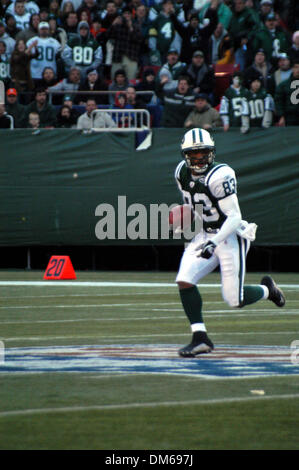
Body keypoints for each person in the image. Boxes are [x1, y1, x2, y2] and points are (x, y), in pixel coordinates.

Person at [174, 127, 286, 357]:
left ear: (211, 151)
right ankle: (200, 338)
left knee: (235, 300)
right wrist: (185, 217)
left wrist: (213, 242)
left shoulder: (220, 175)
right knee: (184, 280)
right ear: (185, 155)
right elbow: (196, 205)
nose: (198, 158)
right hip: (205, 234)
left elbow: (234, 216)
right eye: (193, 154)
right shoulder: (180, 173)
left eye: (203, 152)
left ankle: (268, 290)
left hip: (229, 235)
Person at [107, 8, 143, 80]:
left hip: (131, 57)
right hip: (117, 58)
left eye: (128, 14)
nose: (127, 15)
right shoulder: (117, 26)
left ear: (131, 15)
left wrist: (130, 28)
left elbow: (138, 40)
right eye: (125, 14)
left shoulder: (136, 26)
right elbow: (108, 36)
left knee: (131, 81)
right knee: (115, 79)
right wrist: (113, 24)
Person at [275, 60, 299, 127]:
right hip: (289, 117)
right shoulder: (283, 85)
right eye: (296, 67)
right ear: (292, 69)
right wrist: (281, 116)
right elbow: (279, 101)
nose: (298, 70)